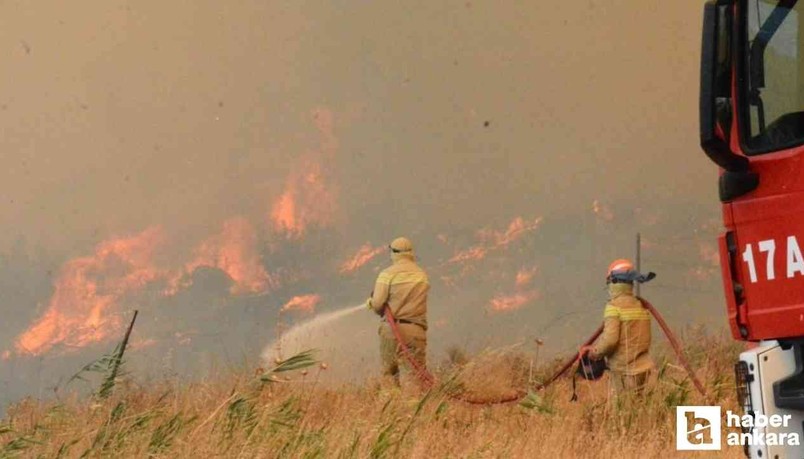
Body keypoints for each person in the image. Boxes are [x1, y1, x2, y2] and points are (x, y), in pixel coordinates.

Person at [580, 259, 654, 395]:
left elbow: (610, 340)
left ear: (613, 282)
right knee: (638, 407)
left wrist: (594, 353)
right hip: (643, 368)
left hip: (624, 371)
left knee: (621, 411)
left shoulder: (613, 307)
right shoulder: (639, 305)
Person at [365, 237, 429, 387]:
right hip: (416, 330)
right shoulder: (422, 275)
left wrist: (371, 303)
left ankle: (392, 406)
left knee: (389, 373)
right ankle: (415, 407)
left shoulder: (387, 274)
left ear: (394, 253)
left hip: (392, 330)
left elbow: (378, 303)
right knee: (416, 376)